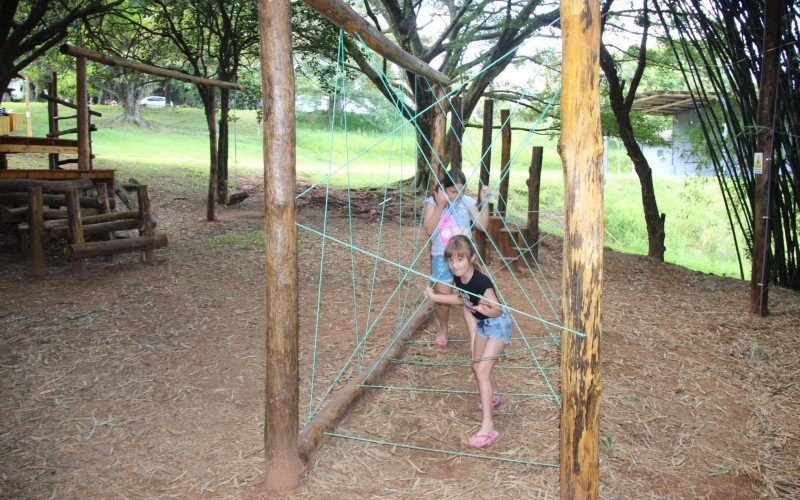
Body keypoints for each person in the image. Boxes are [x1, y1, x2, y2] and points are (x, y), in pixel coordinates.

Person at [424, 235, 511, 448]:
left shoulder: (482, 282)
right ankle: (495, 395)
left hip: (498, 325)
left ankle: (488, 428)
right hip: (483, 325)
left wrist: (485, 310)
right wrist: (435, 297)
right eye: (451, 260)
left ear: (471, 258)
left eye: (460, 260)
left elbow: (497, 308)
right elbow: (460, 298)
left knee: (481, 371)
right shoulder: (459, 278)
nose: (454, 265)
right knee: (476, 364)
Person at [423, 168, 490, 348]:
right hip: (442, 257)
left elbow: (482, 226)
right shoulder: (433, 201)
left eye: (461, 190)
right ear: (444, 188)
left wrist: (485, 202)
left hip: (465, 258)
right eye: (453, 190)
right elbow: (429, 230)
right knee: (443, 299)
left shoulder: (467, 202)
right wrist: (440, 204)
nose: (458, 194)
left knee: (470, 297)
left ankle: (476, 335)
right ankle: (443, 330)